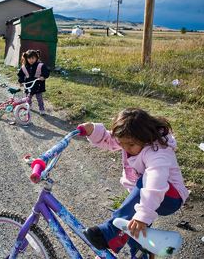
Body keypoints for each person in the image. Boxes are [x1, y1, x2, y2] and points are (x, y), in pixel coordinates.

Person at [79, 108, 189, 258]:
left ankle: (109, 232)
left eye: (130, 145)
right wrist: (92, 130)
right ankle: (141, 254)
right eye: (122, 143)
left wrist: (143, 215)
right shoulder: (130, 140)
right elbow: (109, 139)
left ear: (146, 138)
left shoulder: (158, 152)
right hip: (146, 196)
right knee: (133, 229)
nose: (125, 148)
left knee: (140, 203)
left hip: (170, 197)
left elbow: (155, 183)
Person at [17, 49, 50, 115]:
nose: (31, 60)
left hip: (38, 84)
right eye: (29, 58)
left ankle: (41, 109)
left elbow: (46, 72)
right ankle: (29, 105)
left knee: (39, 98)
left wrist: (43, 77)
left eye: (33, 58)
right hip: (28, 85)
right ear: (26, 58)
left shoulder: (40, 65)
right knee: (28, 97)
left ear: (36, 58)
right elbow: (20, 74)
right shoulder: (24, 67)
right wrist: (21, 81)